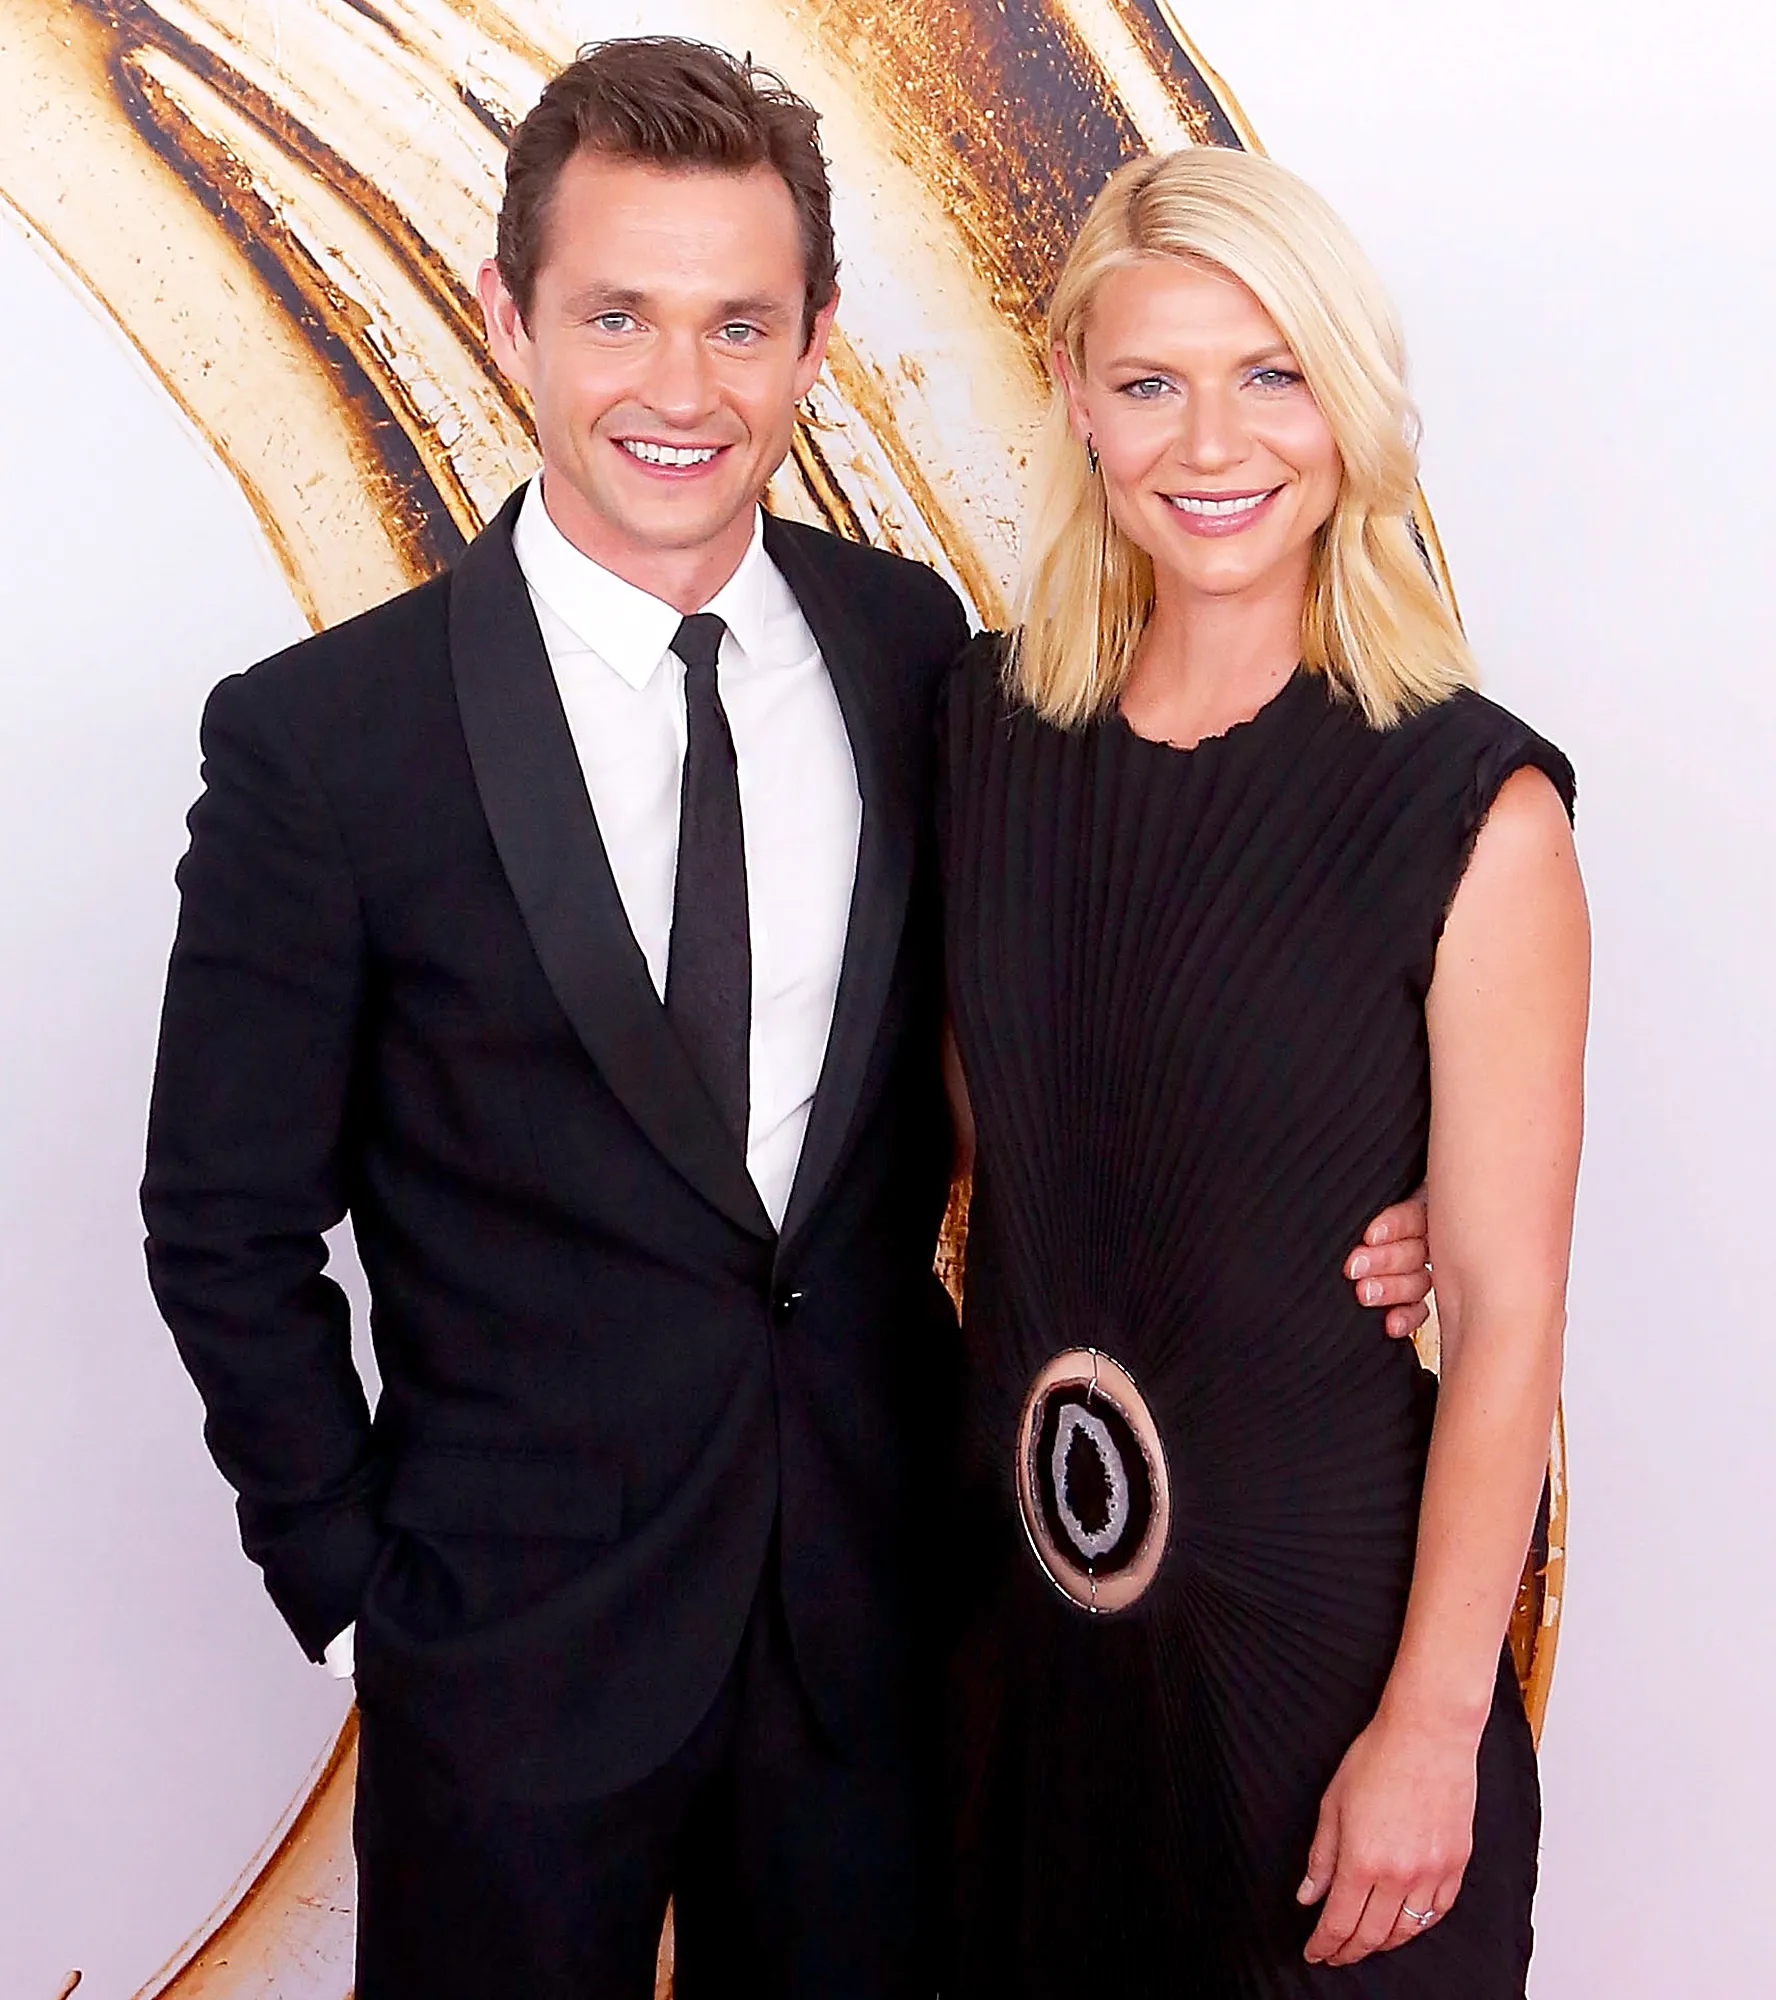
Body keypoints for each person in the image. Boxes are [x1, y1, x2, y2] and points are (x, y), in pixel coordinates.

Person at [141, 40, 1435, 2000]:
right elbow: (218, 1222)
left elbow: (1100, 980)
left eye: (740, 321)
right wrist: (356, 1591)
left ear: (818, 336)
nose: (683, 388)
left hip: (885, 1625)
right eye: (620, 317)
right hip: (504, 1657)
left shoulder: (914, 647)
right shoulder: (325, 744)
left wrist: (1354, 1194)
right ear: (510, 320)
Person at [938, 146, 1588, 1998]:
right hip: (1033, 1684)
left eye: (1271, 373)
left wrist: (1432, 1732)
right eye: (1151, 382)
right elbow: (990, 1153)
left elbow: (1511, 1321)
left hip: (1330, 1690)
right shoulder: (981, 738)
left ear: (1348, 400)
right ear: (1074, 399)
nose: (1211, 441)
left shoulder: (1476, 804)